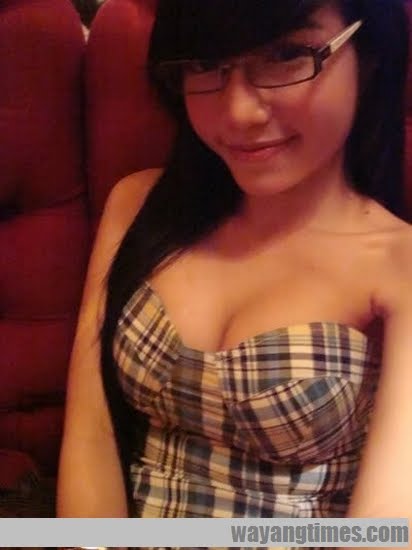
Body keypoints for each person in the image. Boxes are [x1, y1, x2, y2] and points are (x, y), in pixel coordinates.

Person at [57, 0, 412, 539]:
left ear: (369, 57)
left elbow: (386, 523)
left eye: (287, 55)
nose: (239, 112)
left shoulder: (398, 263)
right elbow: (92, 436)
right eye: (205, 64)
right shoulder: (139, 206)